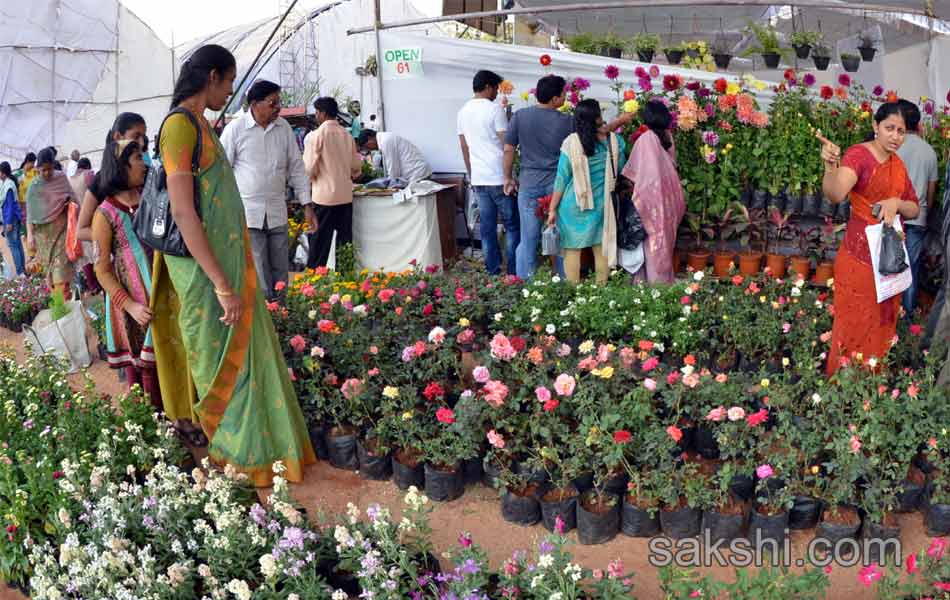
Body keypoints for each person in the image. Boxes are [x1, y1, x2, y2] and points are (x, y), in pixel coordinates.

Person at [159, 43, 315, 484]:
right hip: (206, 275)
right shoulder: (178, 128)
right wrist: (222, 286)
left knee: (247, 361)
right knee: (218, 362)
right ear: (211, 77)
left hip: (225, 267)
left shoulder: (200, 126)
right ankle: (236, 457)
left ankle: (258, 450)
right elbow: (184, 213)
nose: (230, 90)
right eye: (228, 81)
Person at [818, 102, 920, 375]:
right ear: (875, 127)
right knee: (854, 326)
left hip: (888, 263)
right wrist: (830, 167)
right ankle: (842, 394)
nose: (895, 136)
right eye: (889, 128)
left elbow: (915, 208)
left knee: (881, 325)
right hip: (859, 261)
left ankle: (869, 391)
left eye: (901, 131)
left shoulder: (897, 164)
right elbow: (836, 193)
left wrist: (895, 202)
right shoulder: (859, 156)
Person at [220, 79, 314, 299]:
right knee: (259, 273)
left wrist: (307, 205)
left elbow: (297, 168)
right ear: (255, 103)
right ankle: (266, 322)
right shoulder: (235, 129)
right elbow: (222, 171)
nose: (278, 108)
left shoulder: (283, 128)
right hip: (248, 213)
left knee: (281, 270)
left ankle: (282, 317)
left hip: (276, 211)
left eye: (278, 102)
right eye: (273, 103)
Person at [90, 139, 164, 404]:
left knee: (169, 360)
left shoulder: (152, 196)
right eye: (137, 158)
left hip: (161, 292)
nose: (144, 164)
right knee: (143, 371)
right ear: (121, 166)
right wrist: (129, 305)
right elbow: (102, 270)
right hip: (132, 303)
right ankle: (153, 427)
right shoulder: (105, 213)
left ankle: (180, 419)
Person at [546, 99, 625, 284]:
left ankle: (573, 293)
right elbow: (618, 169)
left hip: (573, 205)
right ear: (598, 117)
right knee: (601, 248)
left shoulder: (571, 142)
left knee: (572, 250)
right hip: (602, 204)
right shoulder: (615, 141)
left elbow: (561, 178)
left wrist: (552, 209)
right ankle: (600, 291)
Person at [458, 70, 519, 275]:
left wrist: (471, 173)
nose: (496, 92)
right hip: (499, 177)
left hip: (479, 178)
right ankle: (512, 272)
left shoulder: (462, 112)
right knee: (511, 226)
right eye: (494, 88)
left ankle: (492, 271)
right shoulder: (495, 110)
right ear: (487, 87)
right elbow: (507, 144)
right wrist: (510, 175)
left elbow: (464, 147)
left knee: (487, 228)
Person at [621, 100, 686, 283]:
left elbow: (635, 175)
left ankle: (650, 292)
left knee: (651, 247)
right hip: (670, 200)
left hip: (651, 202)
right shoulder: (667, 137)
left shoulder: (645, 140)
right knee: (663, 246)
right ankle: (663, 287)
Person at [302, 96, 363, 269]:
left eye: (316, 112)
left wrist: (311, 181)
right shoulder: (347, 135)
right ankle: (345, 280)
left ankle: (314, 281)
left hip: (324, 196)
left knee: (320, 243)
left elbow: (309, 168)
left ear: (322, 113)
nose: (315, 116)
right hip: (345, 195)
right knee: (344, 243)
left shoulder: (317, 135)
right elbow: (356, 168)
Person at [895, 99, 939, 317]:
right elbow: (931, 194)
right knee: (910, 269)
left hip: (892, 217)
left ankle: (887, 317)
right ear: (919, 124)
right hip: (918, 218)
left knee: (885, 267)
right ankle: (907, 316)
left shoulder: (894, 144)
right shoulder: (930, 153)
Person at [77, 112, 148, 242]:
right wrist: (118, 238)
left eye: (143, 137)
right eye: (136, 136)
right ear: (117, 137)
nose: (142, 143)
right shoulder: (100, 180)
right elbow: (81, 231)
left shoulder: (144, 172)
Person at [25, 148, 75, 295]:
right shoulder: (34, 187)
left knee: (61, 271)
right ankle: (60, 304)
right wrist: (30, 235)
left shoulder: (61, 178)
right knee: (50, 274)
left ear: (54, 166)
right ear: (37, 169)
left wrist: (70, 205)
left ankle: (63, 301)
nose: (47, 173)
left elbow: (73, 198)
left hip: (61, 230)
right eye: (43, 170)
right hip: (44, 236)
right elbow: (30, 213)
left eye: (49, 169)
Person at [357, 129, 432, 183]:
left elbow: (393, 170)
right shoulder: (385, 138)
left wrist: (386, 184)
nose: (370, 149)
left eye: (367, 147)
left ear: (370, 139)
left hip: (418, 173)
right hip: (416, 173)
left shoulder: (386, 141)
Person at [0, 162, 25, 276]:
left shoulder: (9, 185)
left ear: (3, 173)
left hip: (10, 219)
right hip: (12, 218)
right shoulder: (7, 183)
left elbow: (10, 204)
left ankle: (20, 272)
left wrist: (8, 222)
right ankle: (23, 271)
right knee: (17, 244)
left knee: (13, 245)